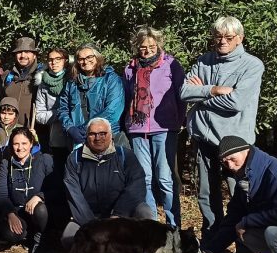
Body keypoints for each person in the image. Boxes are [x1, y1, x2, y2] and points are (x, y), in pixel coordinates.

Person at [180, 16, 265, 240]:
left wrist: (201, 95)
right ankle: (211, 242)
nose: (222, 41)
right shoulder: (203, 61)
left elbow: (236, 103)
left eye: (228, 37)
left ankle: (244, 248)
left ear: (240, 38)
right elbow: (183, 92)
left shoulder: (252, 65)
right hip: (204, 140)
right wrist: (215, 89)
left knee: (240, 194)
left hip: (236, 144)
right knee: (206, 195)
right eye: (218, 37)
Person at [123, 26, 187, 229]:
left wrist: (179, 120)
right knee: (145, 178)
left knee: (165, 179)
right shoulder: (130, 68)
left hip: (165, 127)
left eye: (151, 46)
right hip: (137, 129)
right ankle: (152, 226)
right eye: (143, 47)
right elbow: (127, 97)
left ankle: (173, 225)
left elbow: (182, 95)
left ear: (158, 45)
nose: (147, 50)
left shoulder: (171, 65)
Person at [62, 118, 151, 246]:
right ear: (87, 136)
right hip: (90, 216)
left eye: (103, 133)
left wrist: (118, 215)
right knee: (69, 239)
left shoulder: (125, 156)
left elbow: (137, 185)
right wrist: (93, 226)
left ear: (111, 135)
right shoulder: (75, 159)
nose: (98, 138)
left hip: (120, 215)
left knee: (144, 212)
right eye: (92, 134)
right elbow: (74, 195)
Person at [0, 127, 55, 253]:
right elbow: (2, 194)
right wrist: (10, 213)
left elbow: (56, 187)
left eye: (24, 143)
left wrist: (39, 196)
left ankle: (39, 237)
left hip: (38, 211)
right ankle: (27, 234)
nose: (20, 148)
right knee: (10, 234)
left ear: (31, 143)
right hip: (18, 211)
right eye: (16, 144)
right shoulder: (6, 164)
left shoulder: (44, 160)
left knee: (41, 210)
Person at [57, 44, 125, 148]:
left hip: (107, 137)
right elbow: (63, 108)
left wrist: (87, 128)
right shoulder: (72, 83)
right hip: (79, 139)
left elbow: (113, 110)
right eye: (81, 59)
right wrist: (70, 128)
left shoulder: (111, 80)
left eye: (89, 57)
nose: (85, 61)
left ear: (97, 57)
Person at [35, 48, 72, 161]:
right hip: (56, 137)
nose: (54, 62)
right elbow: (39, 115)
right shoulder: (43, 84)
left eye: (58, 59)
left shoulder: (73, 79)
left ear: (65, 60)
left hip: (75, 134)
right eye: (50, 60)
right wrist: (59, 114)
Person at [3, 37, 43, 134]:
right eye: (19, 52)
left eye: (27, 52)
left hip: (34, 133)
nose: (23, 55)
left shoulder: (42, 76)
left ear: (34, 55)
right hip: (9, 132)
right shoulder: (7, 76)